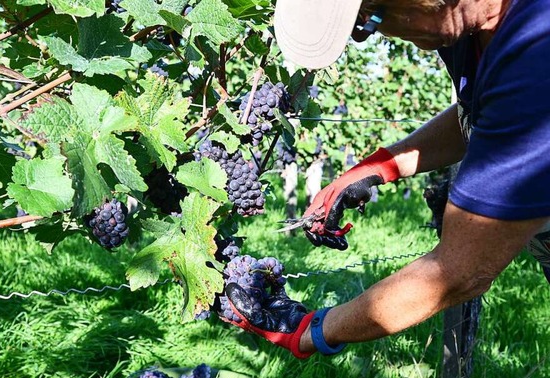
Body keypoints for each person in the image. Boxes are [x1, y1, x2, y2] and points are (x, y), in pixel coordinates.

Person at [222, 0, 550, 359]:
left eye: (370, 15)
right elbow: (484, 114)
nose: (365, 38)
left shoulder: (538, 52)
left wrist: (311, 331)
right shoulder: (461, 30)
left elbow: (459, 272)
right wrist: (381, 166)